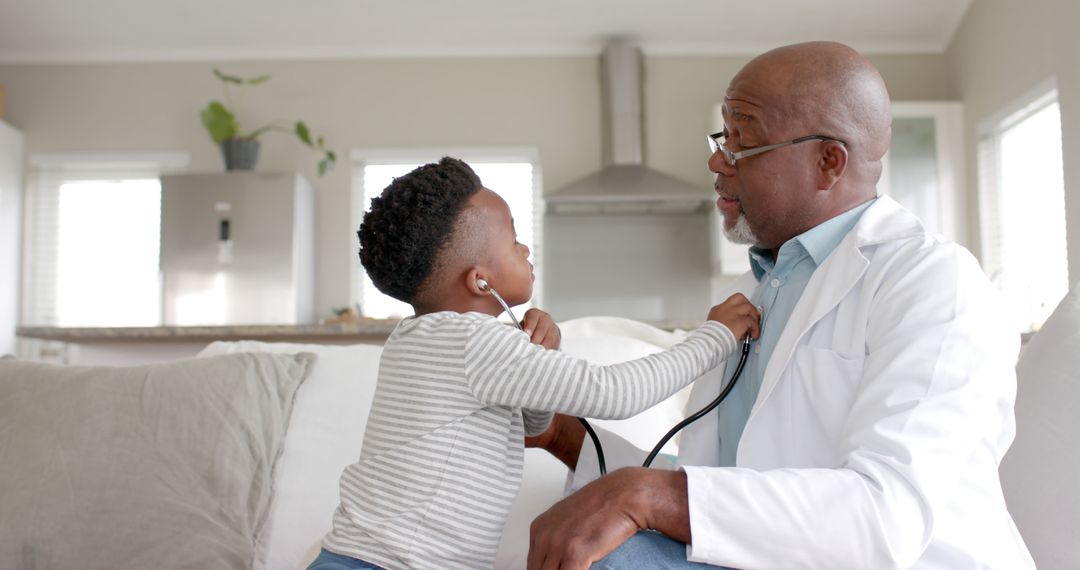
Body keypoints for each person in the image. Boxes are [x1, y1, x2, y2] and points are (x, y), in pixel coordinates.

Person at [526, 41, 1035, 569]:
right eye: (723, 135)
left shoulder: (931, 283)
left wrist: (645, 496)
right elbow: (727, 487)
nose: (716, 159)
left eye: (742, 140)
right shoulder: (759, 292)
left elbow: (883, 516)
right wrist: (560, 433)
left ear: (827, 162)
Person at [309, 157, 761, 570]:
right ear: (481, 281)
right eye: (514, 240)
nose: (525, 250)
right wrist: (715, 337)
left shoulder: (423, 337)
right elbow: (616, 394)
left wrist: (539, 357)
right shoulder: (474, 342)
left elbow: (530, 424)